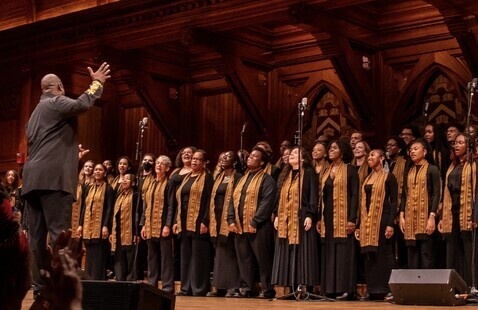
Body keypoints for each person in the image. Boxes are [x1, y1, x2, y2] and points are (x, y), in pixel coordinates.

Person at [21, 62, 110, 297]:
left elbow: (45, 144)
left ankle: (40, 286)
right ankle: (63, 286)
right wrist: (97, 83)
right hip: (53, 181)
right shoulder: (57, 101)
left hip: (31, 180)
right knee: (59, 234)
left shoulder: (34, 115)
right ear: (59, 86)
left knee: (36, 237)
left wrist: (71, 155)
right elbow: (81, 104)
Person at [228, 147, 277, 299]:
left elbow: (266, 203)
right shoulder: (242, 178)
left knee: (263, 259)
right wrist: (230, 219)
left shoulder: (267, 179)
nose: (250, 157)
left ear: (261, 162)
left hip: (259, 226)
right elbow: (233, 199)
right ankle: (246, 288)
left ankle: (267, 289)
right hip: (240, 224)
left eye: (255, 156)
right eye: (250, 155)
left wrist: (255, 222)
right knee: (244, 258)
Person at [272, 147, 320, 292]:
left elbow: (313, 195)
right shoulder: (285, 174)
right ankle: (290, 285)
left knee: (303, 250)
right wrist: (277, 215)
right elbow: (279, 197)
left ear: (303, 158)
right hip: (285, 218)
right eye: (291, 153)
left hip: (302, 216)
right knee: (288, 250)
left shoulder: (309, 173)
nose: (291, 155)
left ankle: (305, 286)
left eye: (295, 153)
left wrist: (311, 215)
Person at [317, 138, 359, 300]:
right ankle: (329, 288)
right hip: (328, 216)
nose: (331, 150)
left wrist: (351, 219)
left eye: (335, 148)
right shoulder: (326, 171)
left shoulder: (350, 170)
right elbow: (323, 197)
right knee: (329, 251)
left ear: (343, 151)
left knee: (344, 253)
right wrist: (320, 218)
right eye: (330, 148)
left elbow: (355, 195)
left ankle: (346, 289)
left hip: (344, 215)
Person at [355, 149, 397, 300]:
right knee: (369, 254)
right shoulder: (367, 178)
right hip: (368, 221)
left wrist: (391, 223)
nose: (369, 158)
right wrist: (359, 225)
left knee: (384, 254)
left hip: (383, 219)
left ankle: (388, 288)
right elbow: (362, 203)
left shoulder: (389, 177)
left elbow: (394, 203)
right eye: (369, 156)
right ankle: (372, 289)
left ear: (381, 158)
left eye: (373, 155)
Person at [438, 133, 478, 286]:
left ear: (469, 146)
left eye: (460, 142)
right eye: (455, 143)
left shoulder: (474, 165)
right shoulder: (452, 165)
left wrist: (475, 216)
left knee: (470, 252)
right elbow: (446, 191)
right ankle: (455, 286)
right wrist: (442, 217)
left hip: (468, 212)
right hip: (452, 213)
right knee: (452, 251)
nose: (456, 145)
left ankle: (473, 286)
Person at [173, 149, 213, 296]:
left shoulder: (207, 178)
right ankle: (185, 288)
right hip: (184, 220)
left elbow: (210, 201)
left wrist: (205, 221)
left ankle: (198, 288)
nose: (194, 161)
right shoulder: (186, 177)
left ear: (204, 162)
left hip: (199, 220)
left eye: (198, 159)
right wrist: (177, 221)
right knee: (186, 255)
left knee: (198, 256)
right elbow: (179, 199)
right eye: (193, 159)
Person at [399, 138, 441, 269]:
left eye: (416, 149)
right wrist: (401, 216)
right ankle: (413, 287)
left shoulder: (432, 169)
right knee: (412, 255)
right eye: (411, 149)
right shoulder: (409, 170)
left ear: (424, 152)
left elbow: (436, 194)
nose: (412, 151)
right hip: (410, 218)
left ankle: (427, 287)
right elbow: (405, 195)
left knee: (426, 253)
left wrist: (432, 217)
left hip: (426, 217)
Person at [207, 151, 243, 297]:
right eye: (223, 156)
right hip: (216, 217)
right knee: (220, 252)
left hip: (230, 217)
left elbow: (237, 199)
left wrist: (231, 219)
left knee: (231, 252)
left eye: (228, 157)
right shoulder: (218, 177)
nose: (223, 158)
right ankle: (219, 287)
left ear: (234, 162)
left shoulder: (238, 177)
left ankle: (232, 286)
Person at [140, 155, 174, 292]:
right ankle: (152, 283)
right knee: (151, 256)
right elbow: (146, 206)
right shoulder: (151, 183)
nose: (159, 165)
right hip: (150, 224)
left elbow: (171, 206)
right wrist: (143, 225)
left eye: (163, 164)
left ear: (167, 168)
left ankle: (167, 286)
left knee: (166, 257)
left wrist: (168, 225)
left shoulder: (169, 183)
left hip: (162, 224)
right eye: (158, 163)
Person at [77, 163, 115, 280]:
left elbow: (109, 208)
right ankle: (89, 279)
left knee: (99, 254)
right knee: (89, 254)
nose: (97, 172)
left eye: (100, 170)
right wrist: (80, 225)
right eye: (96, 170)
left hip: (100, 226)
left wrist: (105, 225)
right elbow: (84, 207)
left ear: (104, 173)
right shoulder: (88, 187)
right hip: (88, 225)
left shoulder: (108, 188)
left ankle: (98, 279)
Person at [110, 173, 138, 281]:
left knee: (130, 258)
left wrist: (137, 232)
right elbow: (114, 215)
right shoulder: (118, 196)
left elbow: (138, 214)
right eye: (123, 179)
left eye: (127, 179)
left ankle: (130, 280)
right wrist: (112, 232)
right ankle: (120, 280)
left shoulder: (136, 195)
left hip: (130, 232)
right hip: (118, 231)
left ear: (133, 183)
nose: (124, 181)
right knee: (119, 258)